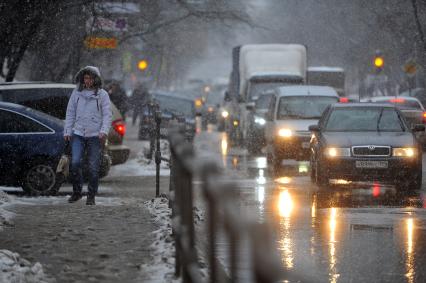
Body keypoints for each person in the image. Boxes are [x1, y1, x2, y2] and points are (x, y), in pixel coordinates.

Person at [64, 66, 112, 205]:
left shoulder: (102, 95)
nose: (88, 81)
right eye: (85, 78)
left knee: (93, 166)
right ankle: (77, 192)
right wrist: (68, 131)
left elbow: (107, 115)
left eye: (90, 78)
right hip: (78, 133)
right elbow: (70, 112)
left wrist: (103, 131)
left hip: (95, 135)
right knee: (75, 163)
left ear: (95, 79)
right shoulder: (76, 93)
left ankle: (91, 195)